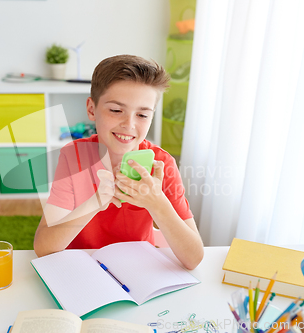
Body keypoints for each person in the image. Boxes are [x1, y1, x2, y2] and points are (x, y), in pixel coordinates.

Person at [33, 54, 204, 269]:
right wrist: (94, 204)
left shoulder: (162, 164)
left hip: (138, 268)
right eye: (116, 110)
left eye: (142, 115)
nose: (129, 124)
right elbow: (43, 248)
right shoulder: (74, 156)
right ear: (91, 109)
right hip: (82, 265)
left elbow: (194, 258)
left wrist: (157, 203)